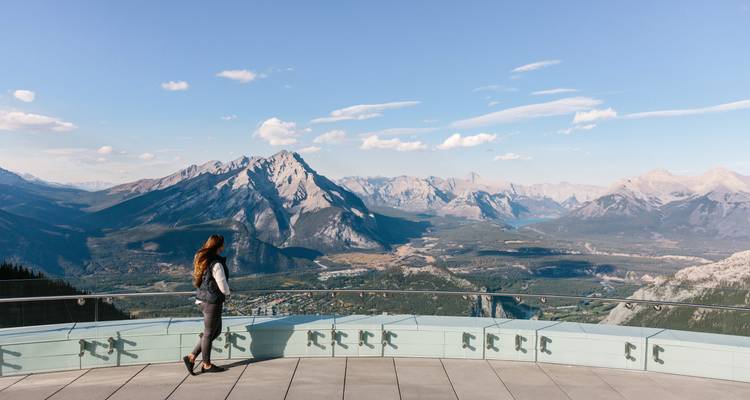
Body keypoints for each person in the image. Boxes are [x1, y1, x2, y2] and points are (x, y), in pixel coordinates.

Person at [183, 234, 230, 374]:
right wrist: (227, 293)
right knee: (209, 333)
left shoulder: (202, 258)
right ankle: (206, 364)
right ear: (219, 246)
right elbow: (221, 283)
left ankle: (191, 357)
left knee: (216, 331)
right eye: (223, 244)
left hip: (202, 299)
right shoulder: (216, 263)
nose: (224, 246)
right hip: (212, 301)